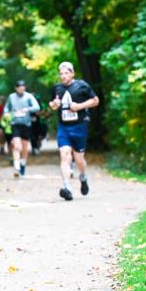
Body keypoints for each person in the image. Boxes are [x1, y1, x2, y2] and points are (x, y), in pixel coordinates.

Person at [48, 62, 99, 201]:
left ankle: (83, 177)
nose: (63, 76)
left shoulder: (82, 85)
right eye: (61, 73)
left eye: (66, 73)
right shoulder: (57, 88)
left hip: (79, 126)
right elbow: (52, 104)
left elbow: (95, 100)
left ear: (72, 73)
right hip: (64, 127)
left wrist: (79, 106)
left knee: (79, 159)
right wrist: (54, 104)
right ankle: (67, 188)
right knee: (64, 155)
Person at [3, 80, 40, 177]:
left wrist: (27, 109)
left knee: (25, 147)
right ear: (16, 88)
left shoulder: (29, 96)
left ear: (25, 88)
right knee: (16, 145)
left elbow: (37, 107)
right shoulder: (11, 97)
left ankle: (23, 163)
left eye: (23, 88)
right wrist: (6, 113)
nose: (21, 89)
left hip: (26, 124)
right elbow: (6, 108)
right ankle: (16, 167)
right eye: (19, 88)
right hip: (15, 123)